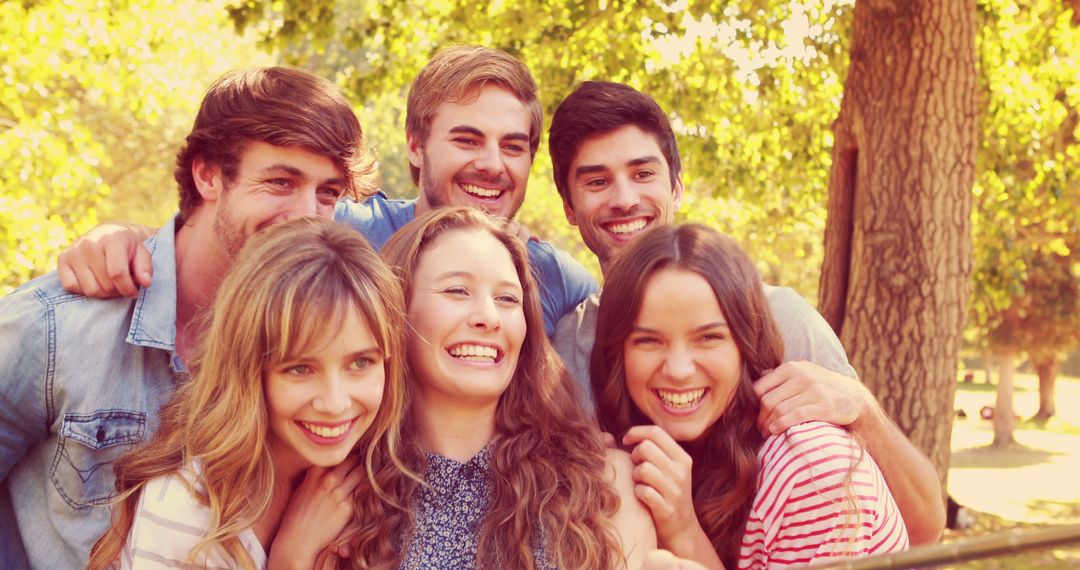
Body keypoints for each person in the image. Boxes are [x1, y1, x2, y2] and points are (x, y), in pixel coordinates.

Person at [0, 66, 376, 568]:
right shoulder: (60, 327)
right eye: (281, 181)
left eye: (327, 193)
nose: (308, 214)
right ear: (207, 175)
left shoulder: (328, 333)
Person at [547, 81, 945, 545]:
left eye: (643, 174)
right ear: (570, 208)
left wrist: (862, 410)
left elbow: (925, 527)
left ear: (676, 189)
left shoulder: (781, 320)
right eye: (597, 181)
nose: (623, 199)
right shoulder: (568, 348)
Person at [55, 45, 595, 335]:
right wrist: (126, 239)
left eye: (514, 145)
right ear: (415, 144)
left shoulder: (553, 279)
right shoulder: (346, 232)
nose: (491, 165)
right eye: (467, 138)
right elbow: (241, 226)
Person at [88, 217, 410, 569]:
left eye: (360, 363)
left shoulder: (371, 476)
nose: (335, 403)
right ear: (248, 371)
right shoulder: (187, 510)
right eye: (299, 369)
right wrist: (292, 558)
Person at [592, 224, 908, 568]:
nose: (679, 369)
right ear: (617, 355)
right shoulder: (637, 456)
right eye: (648, 341)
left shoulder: (812, 467)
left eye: (708, 338)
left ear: (746, 344)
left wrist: (681, 529)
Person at [372, 207, 655, 568]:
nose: (489, 318)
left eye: (507, 299)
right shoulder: (348, 494)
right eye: (457, 290)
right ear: (397, 308)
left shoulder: (602, 485)